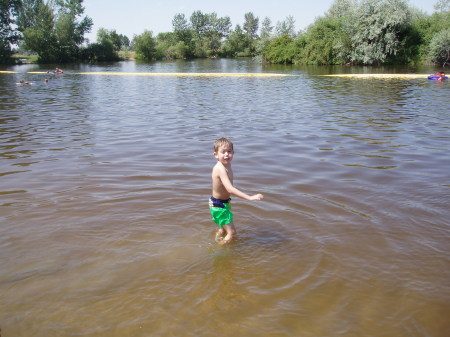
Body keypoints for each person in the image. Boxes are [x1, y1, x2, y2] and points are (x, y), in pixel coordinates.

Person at [209, 137, 263, 244]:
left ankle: (216, 240)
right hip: (218, 205)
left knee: (223, 229)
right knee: (232, 233)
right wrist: (249, 197)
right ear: (215, 155)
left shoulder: (226, 164)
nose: (226, 154)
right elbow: (229, 188)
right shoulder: (220, 168)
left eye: (229, 151)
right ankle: (217, 249)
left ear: (233, 153)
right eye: (223, 152)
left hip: (221, 204)